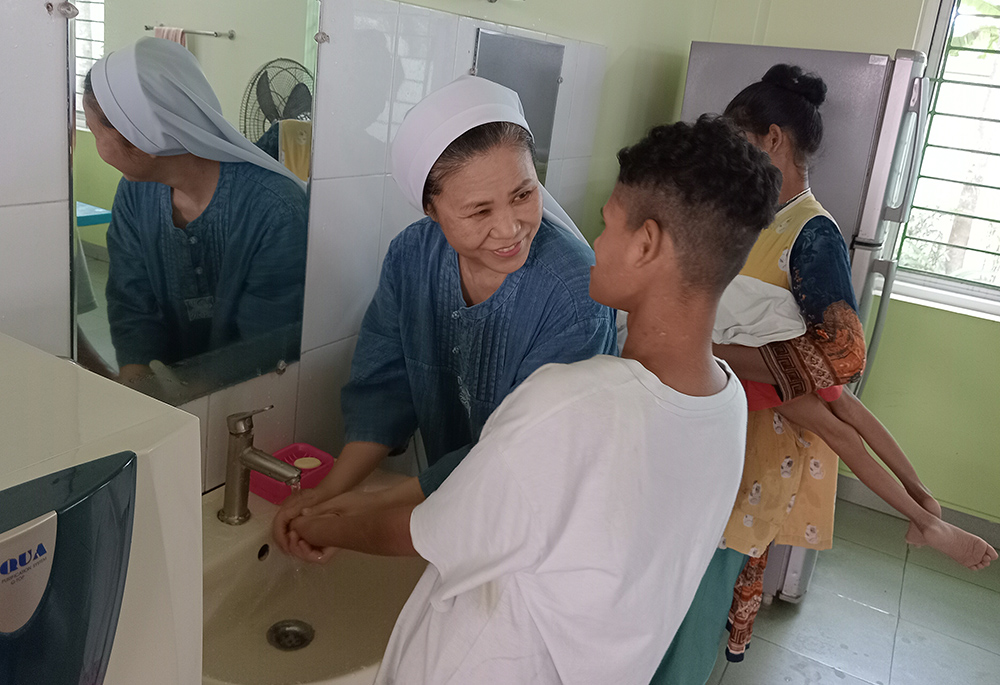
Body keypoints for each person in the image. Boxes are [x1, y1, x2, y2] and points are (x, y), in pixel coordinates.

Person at [283, 115, 782, 684]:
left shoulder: (571, 402)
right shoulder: (726, 403)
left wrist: (321, 527)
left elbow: (425, 531)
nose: (591, 243)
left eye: (606, 226)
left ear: (645, 245)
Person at [273, 76, 617, 561]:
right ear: (431, 210)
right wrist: (333, 490)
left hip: (546, 531)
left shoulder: (574, 292)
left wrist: (365, 507)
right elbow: (384, 387)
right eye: (479, 211)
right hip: (451, 508)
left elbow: (522, 453)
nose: (510, 227)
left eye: (523, 194)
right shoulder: (413, 256)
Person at [652, 64, 869, 682]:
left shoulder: (813, 234)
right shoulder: (752, 214)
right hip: (711, 420)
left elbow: (843, 354)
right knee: (684, 571)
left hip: (759, 438)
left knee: (713, 576)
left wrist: (720, 348)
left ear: (773, 139)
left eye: (738, 141)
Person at [83, 37, 308, 387]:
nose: (96, 144)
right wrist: (139, 385)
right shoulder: (134, 192)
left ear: (140, 134)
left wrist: (184, 397)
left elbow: (266, 343)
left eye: (95, 131)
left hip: (253, 401)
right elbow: (132, 303)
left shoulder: (275, 209)